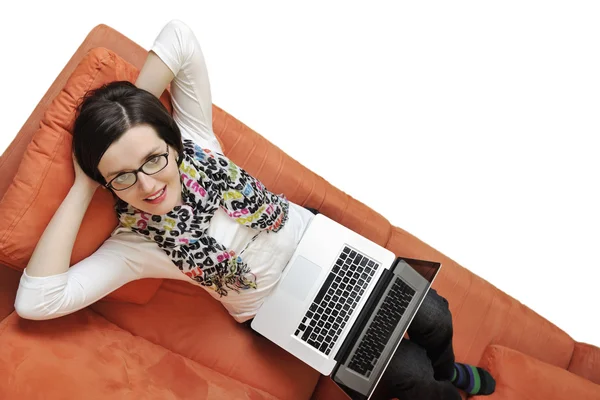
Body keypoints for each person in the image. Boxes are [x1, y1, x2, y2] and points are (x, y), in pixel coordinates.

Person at [14, 19, 495, 399]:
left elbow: (179, 36)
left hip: (324, 249)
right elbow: (36, 302)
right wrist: (84, 183)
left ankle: (449, 371)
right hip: (278, 307)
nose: (148, 184)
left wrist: (132, 109)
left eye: (153, 158)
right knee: (408, 378)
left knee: (434, 314)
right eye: (122, 176)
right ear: (107, 182)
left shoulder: (198, 139)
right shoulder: (135, 246)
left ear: (172, 143)